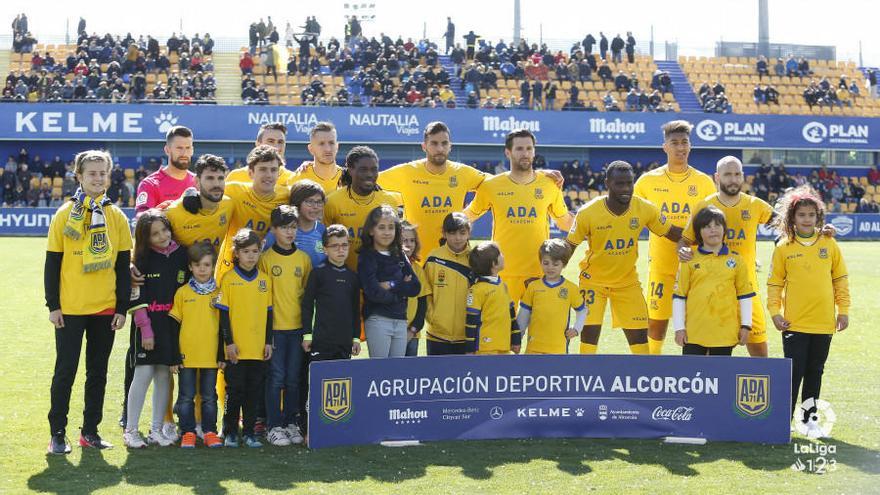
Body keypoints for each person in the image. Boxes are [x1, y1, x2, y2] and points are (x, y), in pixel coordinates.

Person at [45, 150, 132, 454]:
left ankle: (90, 432)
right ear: (79, 176)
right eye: (91, 173)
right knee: (65, 371)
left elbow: (122, 267)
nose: (97, 178)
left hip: (104, 308)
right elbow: (53, 264)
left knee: (97, 373)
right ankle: (57, 433)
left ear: (108, 176)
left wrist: (122, 308)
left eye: (102, 173)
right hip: (69, 308)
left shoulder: (117, 217)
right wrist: (52, 305)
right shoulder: (63, 215)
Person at [566, 161, 681, 354]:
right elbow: (569, 246)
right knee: (589, 337)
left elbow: (670, 232)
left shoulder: (645, 208)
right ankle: (586, 377)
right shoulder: (588, 212)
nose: (626, 188)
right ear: (607, 183)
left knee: (639, 341)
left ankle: (641, 380)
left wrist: (703, 234)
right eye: (620, 184)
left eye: (629, 183)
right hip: (593, 281)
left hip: (627, 283)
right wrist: (548, 272)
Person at [767, 186, 849, 437]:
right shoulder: (783, 247)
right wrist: (775, 312)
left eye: (811, 215)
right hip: (794, 323)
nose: (806, 219)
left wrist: (843, 310)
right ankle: (784, 421)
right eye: (801, 215)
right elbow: (774, 283)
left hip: (823, 323)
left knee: (815, 372)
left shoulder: (829, 243)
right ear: (792, 218)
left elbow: (840, 279)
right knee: (794, 372)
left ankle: (809, 420)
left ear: (818, 217)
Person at [678, 156, 775, 357]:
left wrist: (820, 230)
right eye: (727, 174)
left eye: (737, 174)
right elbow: (685, 239)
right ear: (717, 177)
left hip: (747, 289)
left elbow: (790, 224)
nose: (733, 179)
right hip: (712, 292)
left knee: (759, 353)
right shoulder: (704, 205)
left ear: (743, 177)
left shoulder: (755, 205)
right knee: (708, 353)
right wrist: (683, 250)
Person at [633, 120, 715, 355]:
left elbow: (711, 221)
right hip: (661, 265)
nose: (681, 148)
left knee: (695, 323)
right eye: (675, 143)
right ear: (665, 147)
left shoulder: (703, 182)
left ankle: (694, 372)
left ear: (690, 146)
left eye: (685, 142)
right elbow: (635, 216)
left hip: (695, 265)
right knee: (657, 322)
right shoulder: (647, 182)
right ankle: (651, 368)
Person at [464, 130, 573, 304]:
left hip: (540, 272)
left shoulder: (550, 184)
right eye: (520, 148)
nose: (526, 153)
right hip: (502, 271)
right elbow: (469, 215)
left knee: (542, 330)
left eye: (529, 148)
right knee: (502, 329)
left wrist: (592, 226)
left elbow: (564, 220)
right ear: (508, 152)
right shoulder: (491, 186)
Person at [123, 210, 188, 449]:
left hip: (171, 325)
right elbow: (136, 296)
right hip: (148, 326)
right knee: (143, 374)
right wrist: (146, 330)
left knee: (164, 375)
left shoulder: (182, 254)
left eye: (164, 230)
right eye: (155, 234)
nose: (162, 236)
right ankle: (130, 430)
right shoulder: (141, 260)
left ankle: (157, 429)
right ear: (145, 238)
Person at [216, 228, 273, 448]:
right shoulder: (229, 279)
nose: (251, 255)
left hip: (258, 349)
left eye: (255, 251)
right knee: (235, 391)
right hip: (236, 349)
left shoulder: (265, 281)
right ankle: (230, 431)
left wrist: (268, 342)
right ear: (236, 253)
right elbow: (223, 315)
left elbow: (269, 313)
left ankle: (249, 433)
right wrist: (228, 342)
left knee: (254, 392)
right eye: (246, 251)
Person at [260, 205, 311, 447]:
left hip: (297, 329)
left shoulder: (303, 259)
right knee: (276, 378)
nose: (289, 233)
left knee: (293, 379)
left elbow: (307, 298)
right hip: (275, 331)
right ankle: (273, 425)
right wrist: (266, 335)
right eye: (284, 228)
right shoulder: (266, 260)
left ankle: (291, 422)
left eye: (293, 227)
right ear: (273, 230)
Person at [672, 206, 753, 356]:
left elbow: (745, 295)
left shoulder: (736, 260)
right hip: (694, 333)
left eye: (717, 225)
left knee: (721, 377)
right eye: (707, 227)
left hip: (724, 333)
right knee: (693, 377)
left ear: (724, 229)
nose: (713, 230)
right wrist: (679, 328)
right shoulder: (688, 259)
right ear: (698, 233)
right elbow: (679, 296)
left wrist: (746, 325)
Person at [169, 242, 224, 449]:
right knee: (186, 397)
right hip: (186, 356)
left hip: (210, 357)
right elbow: (174, 327)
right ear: (190, 267)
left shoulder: (218, 293)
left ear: (213, 266)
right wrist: (174, 356)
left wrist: (221, 354)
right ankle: (188, 432)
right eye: (198, 265)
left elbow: (223, 327)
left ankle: (210, 431)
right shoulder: (182, 293)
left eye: (207, 265)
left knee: (209, 397)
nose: (203, 269)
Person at [323, 146, 401, 270]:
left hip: (378, 281)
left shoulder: (389, 202)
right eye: (363, 170)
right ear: (350, 170)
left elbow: (395, 243)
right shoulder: (332, 201)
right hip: (342, 280)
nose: (369, 174)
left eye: (374, 170)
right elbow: (323, 243)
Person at [358, 205, 421, 358]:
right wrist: (400, 290)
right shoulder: (367, 256)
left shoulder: (399, 254)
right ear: (371, 230)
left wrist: (391, 285)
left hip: (400, 320)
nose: (387, 232)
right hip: (377, 319)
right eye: (381, 227)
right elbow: (373, 292)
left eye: (391, 227)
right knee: (380, 371)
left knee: (396, 373)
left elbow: (415, 287)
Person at [516, 239, 586, 354]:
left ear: (564, 264)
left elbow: (582, 310)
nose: (550, 268)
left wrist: (577, 328)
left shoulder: (571, 288)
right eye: (546, 263)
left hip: (558, 350)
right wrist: (518, 338)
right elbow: (523, 315)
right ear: (540, 262)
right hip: (533, 349)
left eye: (555, 264)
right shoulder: (533, 287)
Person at [423, 212, 473, 355]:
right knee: (437, 377)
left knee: (466, 377)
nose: (457, 238)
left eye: (462, 233)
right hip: (437, 336)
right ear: (444, 234)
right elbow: (425, 292)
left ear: (469, 233)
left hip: (467, 336)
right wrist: (433, 318)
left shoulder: (476, 260)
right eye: (452, 233)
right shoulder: (434, 258)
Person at [164, 154, 232, 249]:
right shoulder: (172, 213)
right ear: (197, 181)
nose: (217, 184)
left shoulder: (229, 204)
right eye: (210, 178)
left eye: (220, 178)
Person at [465, 242, 521, 355]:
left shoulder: (503, 286)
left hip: (504, 348)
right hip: (485, 350)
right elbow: (471, 323)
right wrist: (469, 350)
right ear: (494, 264)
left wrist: (515, 339)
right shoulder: (476, 290)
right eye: (500, 254)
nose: (503, 256)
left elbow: (511, 315)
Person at [135, 126, 196, 214]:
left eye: (188, 148)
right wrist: (157, 214)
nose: (184, 153)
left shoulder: (198, 182)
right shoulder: (150, 184)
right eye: (179, 148)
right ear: (167, 150)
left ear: (192, 150)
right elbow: (141, 218)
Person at [226, 122, 295, 184]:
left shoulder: (292, 179)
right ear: (258, 144)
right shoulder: (236, 177)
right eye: (270, 141)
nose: (276, 147)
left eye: (280, 142)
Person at [287, 121, 344, 194]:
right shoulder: (298, 179)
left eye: (331, 143)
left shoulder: (348, 178)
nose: (328, 149)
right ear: (311, 149)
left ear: (337, 146)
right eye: (321, 144)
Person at [401, 221, 429, 357]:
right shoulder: (388, 268)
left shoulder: (418, 270)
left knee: (410, 374)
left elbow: (423, 304)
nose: (408, 244)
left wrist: (412, 330)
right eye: (404, 240)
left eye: (412, 240)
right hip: (391, 332)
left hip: (412, 334)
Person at [289, 180, 327, 266]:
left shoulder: (323, 230)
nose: (315, 207)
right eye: (310, 201)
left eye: (319, 202)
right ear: (297, 203)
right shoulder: (284, 229)